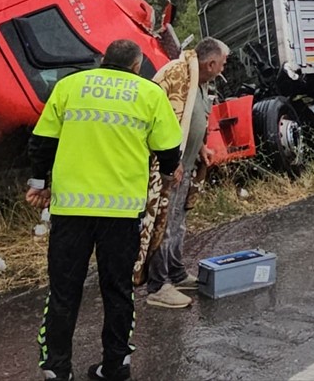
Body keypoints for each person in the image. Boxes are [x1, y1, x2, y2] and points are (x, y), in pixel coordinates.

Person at [25, 39, 182, 381]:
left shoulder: (69, 86)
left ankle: (57, 369)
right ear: (137, 65)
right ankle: (115, 367)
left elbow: (41, 142)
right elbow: (169, 148)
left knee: (64, 291)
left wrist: (39, 184)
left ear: (102, 60)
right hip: (121, 214)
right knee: (117, 291)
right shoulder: (148, 93)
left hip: (71, 212)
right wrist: (170, 172)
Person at [140, 38, 229, 309]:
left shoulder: (200, 82)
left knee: (177, 223)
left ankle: (175, 273)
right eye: (222, 63)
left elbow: (189, 118)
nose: (224, 68)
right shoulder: (175, 74)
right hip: (167, 168)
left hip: (186, 165)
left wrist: (200, 145)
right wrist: (168, 161)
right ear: (211, 63)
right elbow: (155, 117)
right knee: (162, 226)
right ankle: (158, 285)